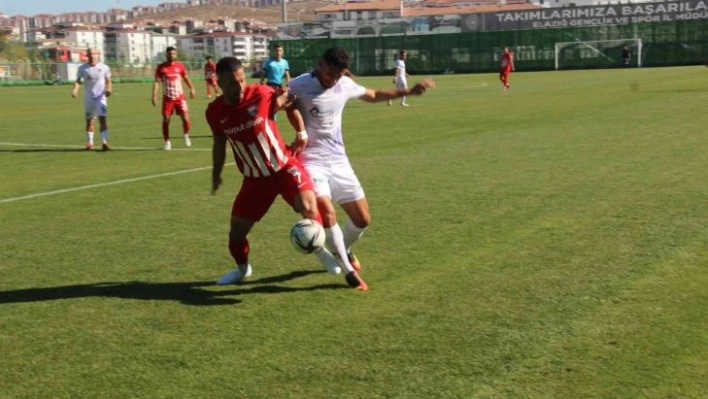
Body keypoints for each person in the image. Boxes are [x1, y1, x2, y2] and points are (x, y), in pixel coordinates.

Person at [207, 56, 368, 291]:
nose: (240, 87)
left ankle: (337, 262)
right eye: (233, 83)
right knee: (236, 236)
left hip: (285, 168)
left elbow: (289, 102)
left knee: (311, 209)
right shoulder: (214, 112)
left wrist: (301, 132)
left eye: (242, 80)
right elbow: (219, 143)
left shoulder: (261, 93)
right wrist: (216, 172)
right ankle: (242, 270)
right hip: (255, 181)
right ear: (219, 82)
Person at [285, 47, 435, 276]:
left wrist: (409, 92)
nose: (333, 79)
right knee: (326, 213)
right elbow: (276, 102)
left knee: (362, 219)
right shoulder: (298, 85)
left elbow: (373, 95)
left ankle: (342, 247)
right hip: (311, 161)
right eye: (330, 74)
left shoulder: (343, 84)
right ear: (320, 65)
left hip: (339, 160)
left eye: (338, 75)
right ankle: (343, 266)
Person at [152, 46, 196, 151]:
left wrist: (192, 88)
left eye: (173, 54)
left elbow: (185, 78)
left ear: (175, 55)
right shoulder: (161, 67)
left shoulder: (180, 66)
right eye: (170, 54)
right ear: (166, 54)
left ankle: (186, 135)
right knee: (166, 119)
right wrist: (154, 95)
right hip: (167, 98)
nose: (172, 55)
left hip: (180, 98)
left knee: (185, 118)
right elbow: (157, 82)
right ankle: (167, 141)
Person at [71, 48, 112, 151]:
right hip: (89, 98)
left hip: (100, 97)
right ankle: (90, 142)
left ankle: (104, 142)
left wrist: (109, 89)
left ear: (98, 54)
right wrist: (75, 90)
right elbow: (78, 81)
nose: (92, 56)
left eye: (94, 54)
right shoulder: (82, 68)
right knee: (89, 121)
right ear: (87, 55)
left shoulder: (105, 67)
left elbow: (108, 81)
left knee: (102, 119)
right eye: (90, 54)